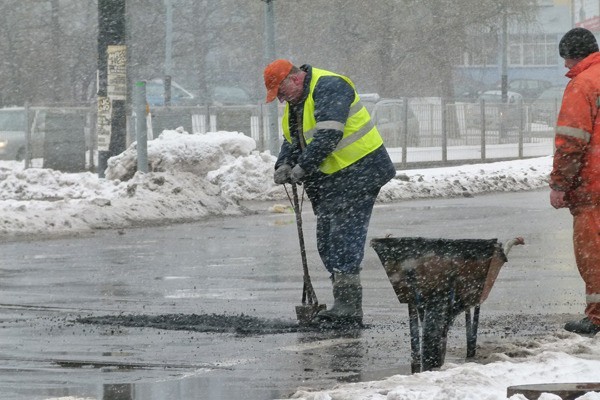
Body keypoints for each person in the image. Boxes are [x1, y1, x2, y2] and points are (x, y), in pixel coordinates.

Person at [263, 59, 396, 327]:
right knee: (326, 239)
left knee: (343, 236)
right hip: (332, 179)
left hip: (360, 172)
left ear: (295, 79)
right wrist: (284, 163)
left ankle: (349, 307)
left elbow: (327, 136)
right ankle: (344, 301)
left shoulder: (330, 86)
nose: (280, 99)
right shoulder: (296, 103)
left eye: (281, 91)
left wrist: (303, 167)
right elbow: (293, 139)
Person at [550, 27, 600, 335]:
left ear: (573, 56)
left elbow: (571, 142)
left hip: (593, 188)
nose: (566, 68)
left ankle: (597, 317)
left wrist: (559, 184)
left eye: (566, 61)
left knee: (593, 253)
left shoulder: (583, 84)